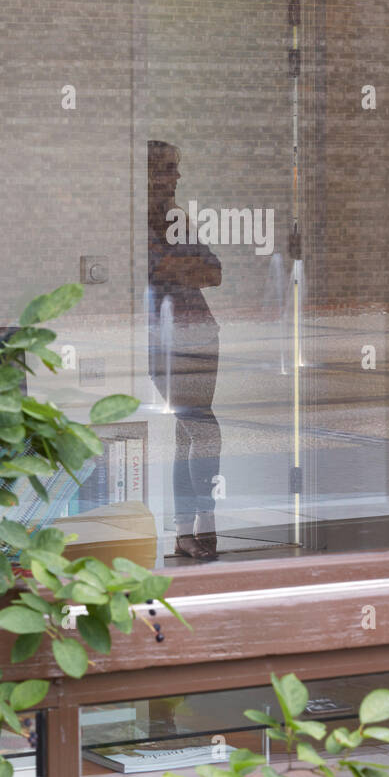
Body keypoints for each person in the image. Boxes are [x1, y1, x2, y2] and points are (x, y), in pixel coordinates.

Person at [147, 140, 222, 562]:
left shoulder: (178, 218)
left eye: (177, 168)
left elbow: (214, 270)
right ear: (148, 174)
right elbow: (152, 267)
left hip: (202, 333)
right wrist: (182, 267)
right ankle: (203, 522)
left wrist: (180, 266)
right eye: (169, 169)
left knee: (187, 433)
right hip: (165, 337)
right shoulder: (137, 221)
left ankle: (183, 530)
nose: (177, 177)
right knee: (202, 429)